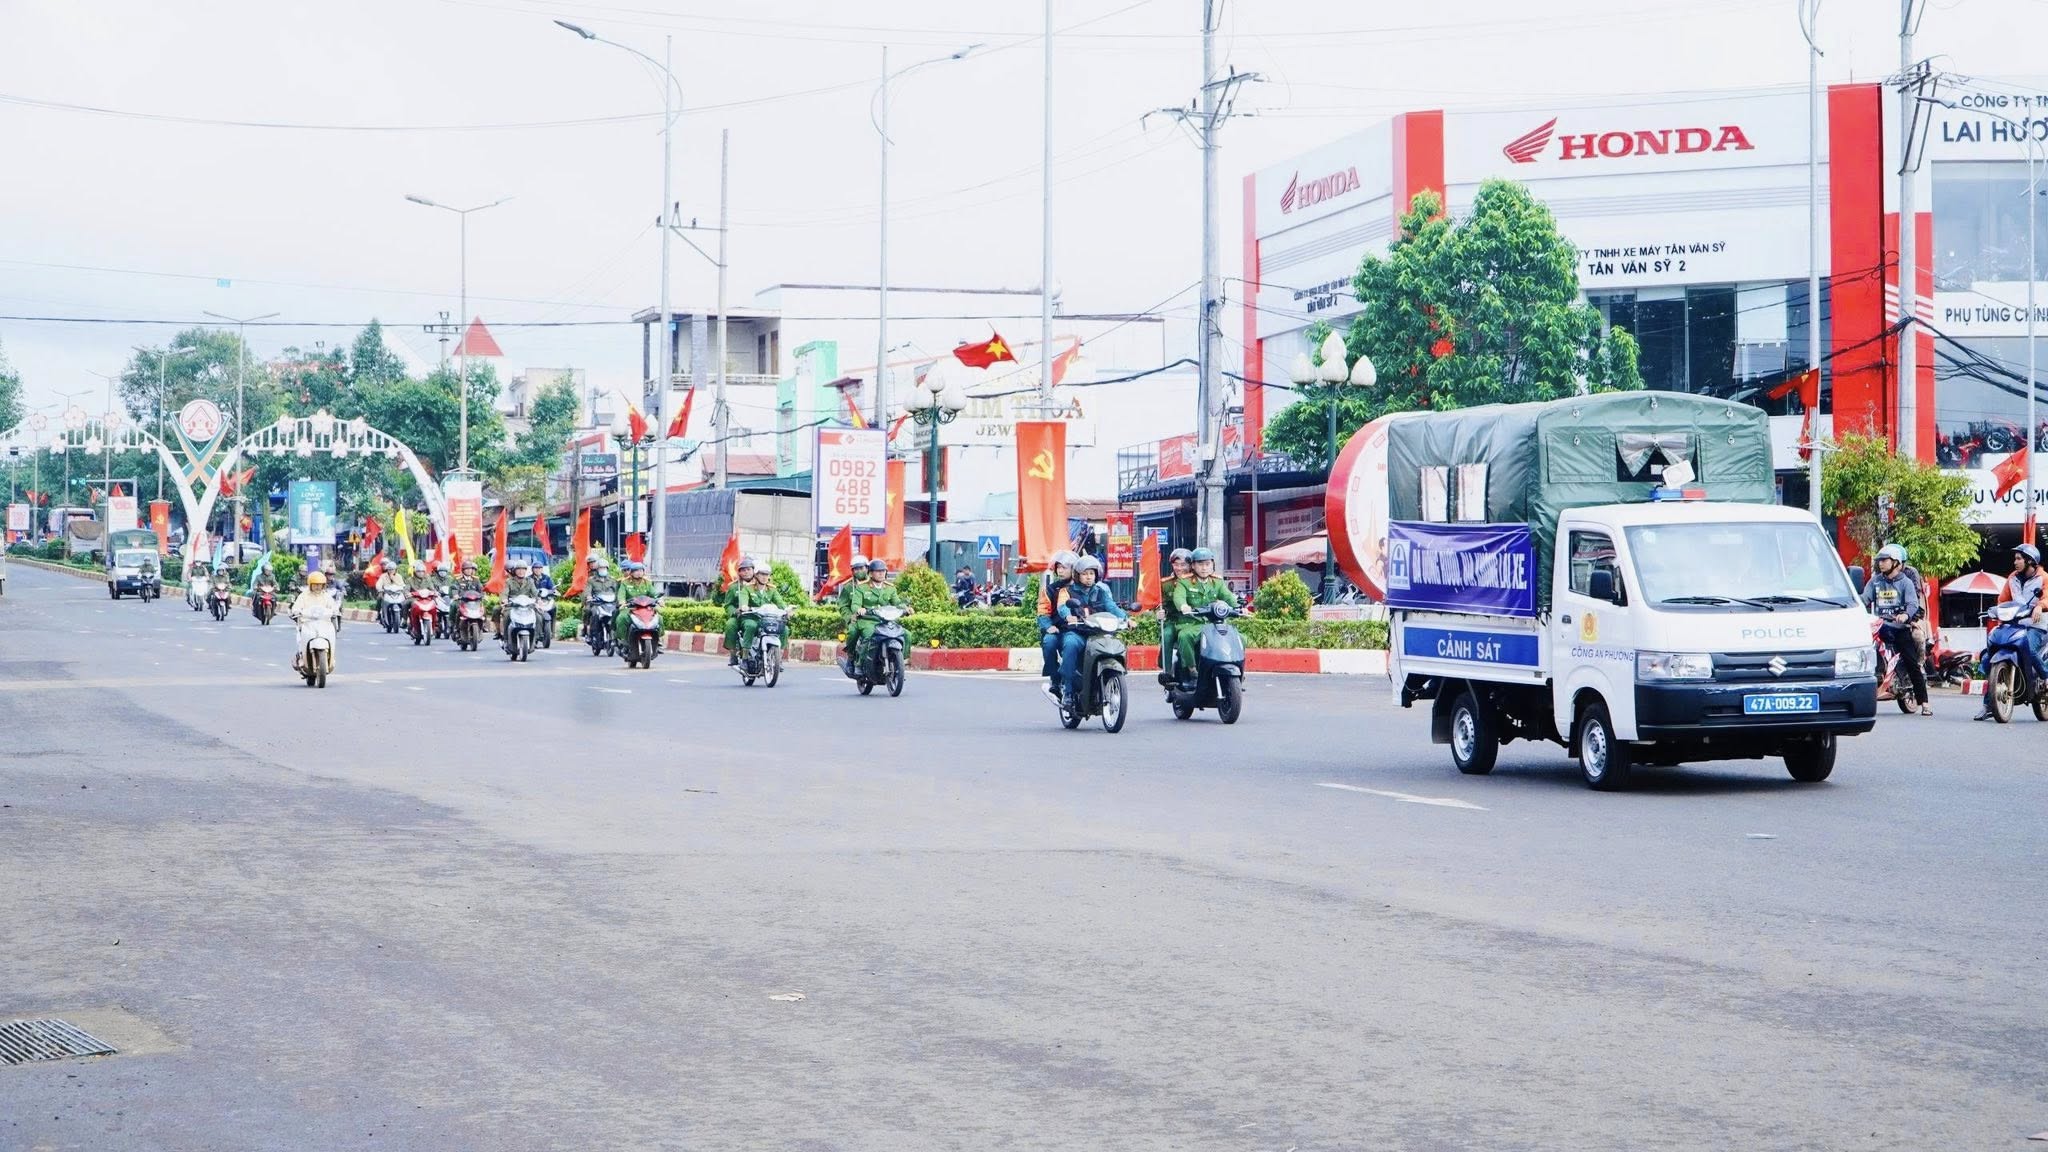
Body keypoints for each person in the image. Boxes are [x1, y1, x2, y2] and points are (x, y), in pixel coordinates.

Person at [1976, 542, 2048, 720]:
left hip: (2036, 626)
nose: (2015, 562)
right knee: (1989, 655)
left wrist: (2040, 606)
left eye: (2018, 559)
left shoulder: (2043, 577)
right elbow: (2003, 600)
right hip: (2015, 624)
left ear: (2030, 561)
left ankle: (2046, 677)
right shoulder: (2012, 578)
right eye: (2015, 558)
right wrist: (1995, 610)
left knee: (2029, 650)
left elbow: (2047, 597)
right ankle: (1988, 704)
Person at [1863, 543, 1931, 716]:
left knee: (1911, 662)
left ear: (1896, 563)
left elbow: (1912, 603)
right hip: (1880, 626)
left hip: (1899, 628)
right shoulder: (1875, 581)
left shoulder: (1906, 582)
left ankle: (1924, 702)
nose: (1880, 564)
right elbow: (1864, 598)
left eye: (1884, 560)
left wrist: (1905, 616)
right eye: (1879, 561)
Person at [1053, 556, 1127, 707]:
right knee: (1070, 644)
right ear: (1077, 575)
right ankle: (1067, 690)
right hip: (1078, 632)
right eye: (1085, 573)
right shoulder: (1066, 591)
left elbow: (1112, 607)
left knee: (1115, 644)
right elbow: (1062, 606)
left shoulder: (1100, 591)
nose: (1088, 577)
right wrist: (1068, 616)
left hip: (1097, 633)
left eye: (1091, 574)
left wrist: (1126, 619)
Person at [1170, 547, 1238, 686]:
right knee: (1185, 636)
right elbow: (1179, 597)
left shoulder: (1217, 582)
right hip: (1191, 623)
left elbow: (1229, 598)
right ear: (1193, 566)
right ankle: (1192, 671)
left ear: (1212, 564)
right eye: (1200, 564)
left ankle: (1238, 670)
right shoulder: (1184, 582)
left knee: (1240, 638)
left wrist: (1240, 608)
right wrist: (1183, 606)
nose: (1204, 568)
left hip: (1212, 624)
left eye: (1207, 564)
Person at [848, 558, 908, 670]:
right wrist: (860, 609)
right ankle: (859, 664)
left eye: (883, 571)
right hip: (868, 620)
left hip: (885, 620)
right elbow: (855, 605)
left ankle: (900, 661)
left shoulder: (890, 588)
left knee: (906, 634)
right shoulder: (862, 587)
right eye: (878, 571)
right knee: (868, 635)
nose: (881, 573)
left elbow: (897, 602)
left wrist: (905, 608)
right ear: (870, 573)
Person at [1036, 550, 1078, 688]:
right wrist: (1048, 626)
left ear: (1073, 569)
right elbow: (1042, 612)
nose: (1060, 571)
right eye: (1058, 567)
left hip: (1079, 629)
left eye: (1064, 567)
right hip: (1058, 630)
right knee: (1048, 643)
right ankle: (1055, 677)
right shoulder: (1049, 590)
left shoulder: (1081, 587)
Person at [734, 564, 788, 661]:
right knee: (751, 626)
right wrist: (744, 606)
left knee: (784, 629)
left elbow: (780, 602)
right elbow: (743, 599)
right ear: (756, 575)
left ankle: (779, 658)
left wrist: (787, 609)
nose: (764, 577)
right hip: (751, 618)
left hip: (766, 619)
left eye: (767, 575)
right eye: (762, 574)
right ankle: (745, 657)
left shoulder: (772, 590)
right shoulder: (747, 589)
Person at [289, 570, 340, 673]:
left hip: (324, 624)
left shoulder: (326, 596)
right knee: (300, 638)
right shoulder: (304, 596)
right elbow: (296, 607)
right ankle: (301, 655)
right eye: (315, 584)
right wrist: (296, 611)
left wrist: (335, 610)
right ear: (310, 584)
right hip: (307, 624)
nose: (317, 587)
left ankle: (330, 657)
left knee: (332, 636)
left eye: (320, 585)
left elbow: (333, 606)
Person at [1157, 547, 1193, 685]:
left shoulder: (1197, 581)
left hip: (1193, 619)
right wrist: (1159, 612)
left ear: (1190, 565)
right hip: (1174, 620)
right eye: (1176, 564)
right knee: (1167, 635)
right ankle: (1167, 673)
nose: (1179, 568)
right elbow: (1160, 603)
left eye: (1183, 564)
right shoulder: (1166, 584)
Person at [723, 556, 761, 665]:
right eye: (743, 570)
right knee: (730, 625)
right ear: (739, 573)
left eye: (748, 569)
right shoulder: (734, 587)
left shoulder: (760, 585)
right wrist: (735, 612)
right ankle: (733, 654)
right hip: (739, 616)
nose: (746, 572)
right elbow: (728, 605)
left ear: (754, 571)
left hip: (756, 616)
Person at [614, 559, 658, 648]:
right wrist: (622, 602)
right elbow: (621, 594)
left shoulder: (647, 583)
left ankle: (658, 640)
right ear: (631, 572)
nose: (639, 573)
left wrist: (659, 600)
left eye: (641, 570)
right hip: (630, 608)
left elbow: (654, 594)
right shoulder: (625, 583)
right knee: (621, 618)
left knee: (659, 618)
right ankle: (622, 639)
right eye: (636, 571)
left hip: (645, 608)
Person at [835, 557, 870, 667]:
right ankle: (851, 657)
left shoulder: (874, 583)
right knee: (852, 632)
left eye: (861, 568)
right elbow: (843, 605)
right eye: (856, 569)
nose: (859, 571)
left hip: (873, 618)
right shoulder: (848, 586)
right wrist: (850, 617)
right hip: (856, 619)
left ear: (867, 568)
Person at [496, 559, 538, 639]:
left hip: (527, 606)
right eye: (518, 569)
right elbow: (504, 593)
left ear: (526, 571)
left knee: (538, 616)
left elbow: (535, 592)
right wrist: (504, 600)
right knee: (507, 615)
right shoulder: (509, 582)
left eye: (523, 569)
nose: (521, 571)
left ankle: (535, 637)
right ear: (515, 571)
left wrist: (538, 600)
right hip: (513, 606)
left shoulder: (530, 581)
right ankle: (506, 637)